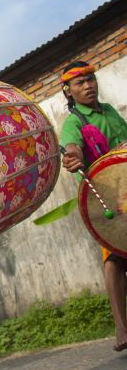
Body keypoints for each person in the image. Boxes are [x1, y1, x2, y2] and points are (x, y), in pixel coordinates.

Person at [60, 60, 127, 352]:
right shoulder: (74, 122)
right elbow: (72, 147)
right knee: (114, 258)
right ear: (69, 91)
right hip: (103, 197)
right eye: (80, 83)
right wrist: (73, 156)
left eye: (90, 79)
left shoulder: (110, 111)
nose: (88, 86)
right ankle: (121, 328)